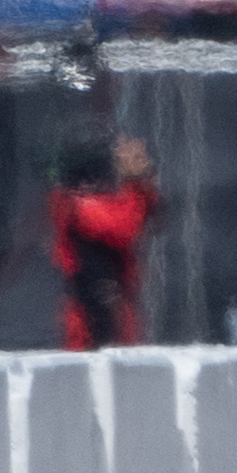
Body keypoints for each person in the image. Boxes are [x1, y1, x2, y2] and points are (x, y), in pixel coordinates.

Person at [53, 139, 156, 353]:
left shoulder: (88, 202)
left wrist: (142, 182)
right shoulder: (82, 205)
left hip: (111, 311)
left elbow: (150, 214)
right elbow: (125, 225)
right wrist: (135, 181)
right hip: (91, 318)